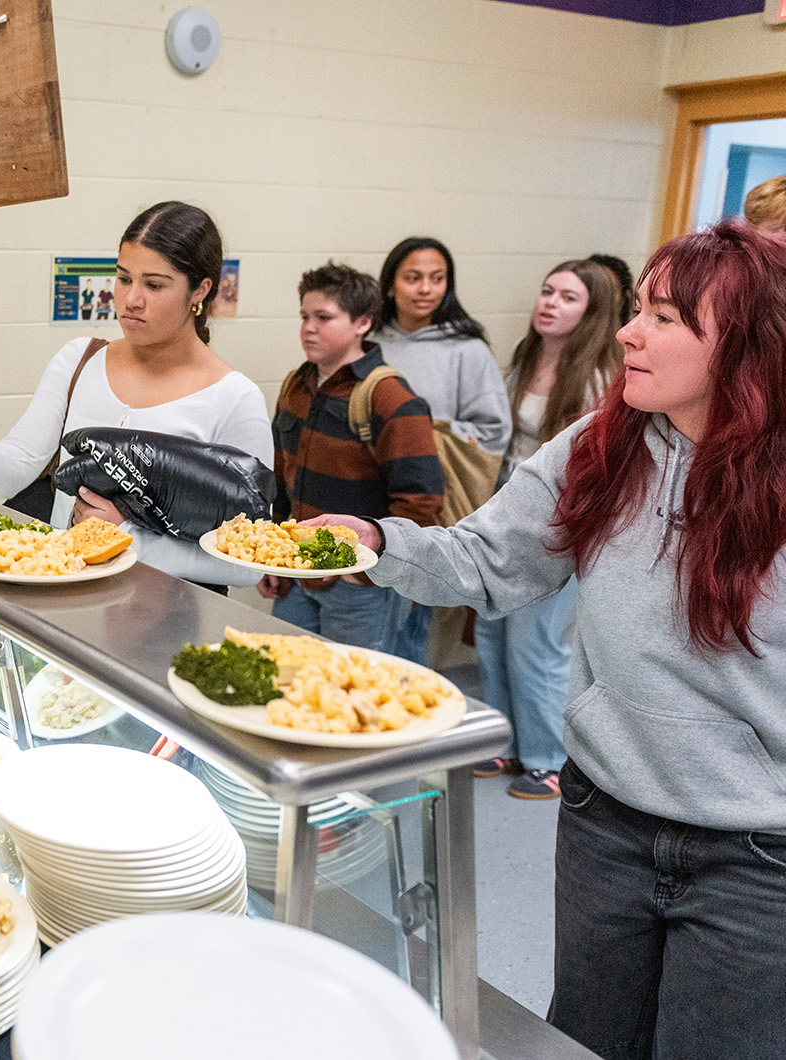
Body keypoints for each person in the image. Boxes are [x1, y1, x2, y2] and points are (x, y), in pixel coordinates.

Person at [301, 220, 786, 1059]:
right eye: (638, 309)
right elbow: (488, 559)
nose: (628, 333)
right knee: (585, 1040)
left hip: (758, 855)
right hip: (606, 818)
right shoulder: (602, 445)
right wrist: (377, 543)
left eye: (665, 318)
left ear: (744, 349)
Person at [0, 201, 273, 587]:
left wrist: (127, 539)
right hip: (60, 605)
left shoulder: (234, 399)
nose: (130, 299)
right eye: (123, 278)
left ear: (201, 290)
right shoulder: (80, 360)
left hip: (161, 625)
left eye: (154, 285)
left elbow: (248, 567)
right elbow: (10, 470)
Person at [473, 259, 623, 800]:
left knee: (535, 644)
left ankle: (548, 759)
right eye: (547, 291)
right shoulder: (525, 359)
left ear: (591, 313)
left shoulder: (602, 378)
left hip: (560, 525)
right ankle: (504, 742)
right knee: (490, 631)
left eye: (568, 297)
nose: (550, 303)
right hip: (507, 511)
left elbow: (600, 469)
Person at [257, 262, 443, 651]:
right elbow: (279, 476)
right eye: (305, 316)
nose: (308, 328)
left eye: (323, 317)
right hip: (297, 571)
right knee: (285, 672)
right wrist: (271, 553)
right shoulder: (296, 384)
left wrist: (365, 572)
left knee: (350, 682)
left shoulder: (391, 398)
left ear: (362, 323)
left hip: (360, 587)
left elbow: (421, 504)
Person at [372, 237, 510, 663]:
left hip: (427, 500)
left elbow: (493, 430)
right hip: (368, 495)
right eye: (413, 278)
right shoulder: (370, 340)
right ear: (390, 285)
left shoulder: (467, 349)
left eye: (437, 279)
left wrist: (420, 430)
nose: (426, 289)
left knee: (408, 623)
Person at [588, 253, 636, 328]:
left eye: (610, 289)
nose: (601, 295)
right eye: (595, 288)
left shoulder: (630, 333)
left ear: (622, 300)